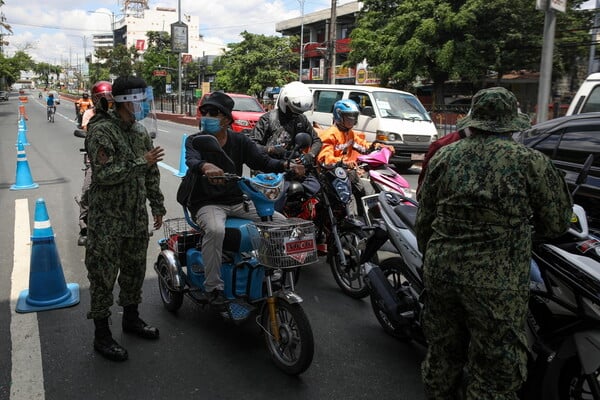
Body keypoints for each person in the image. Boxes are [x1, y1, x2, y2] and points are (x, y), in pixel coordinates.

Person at [415, 87, 573, 399]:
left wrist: (433, 258)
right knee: (494, 371)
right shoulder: (531, 162)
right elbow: (556, 223)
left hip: (442, 271)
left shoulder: (445, 156)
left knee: (443, 356)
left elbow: (424, 220)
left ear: (473, 122)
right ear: (512, 125)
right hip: (496, 286)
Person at [184, 91, 305, 306]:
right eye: (205, 112)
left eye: (214, 113)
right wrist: (205, 166)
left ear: (227, 119)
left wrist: (287, 165)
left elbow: (261, 161)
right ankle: (213, 287)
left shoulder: (239, 140)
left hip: (237, 201)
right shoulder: (196, 140)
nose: (208, 117)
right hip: (207, 202)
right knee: (215, 230)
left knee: (279, 222)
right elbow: (192, 160)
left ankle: (268, 271)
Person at [84, 76, 166, 362]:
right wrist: (141, 161)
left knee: (134, 272)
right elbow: (105, 175)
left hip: (134, 218)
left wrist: (157, 204)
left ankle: (131, 319)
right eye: (140, 99)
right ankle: (102, 334)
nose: (144, 105)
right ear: (124, 101)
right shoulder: (102, 132)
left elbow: (151, 173)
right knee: (103, 276)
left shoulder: (140, 132)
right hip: (107, 220)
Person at [251, 81, 322, 211]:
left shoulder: (301, 119)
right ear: (285, 102)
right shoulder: (267, 119)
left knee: (320, 189)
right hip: (270, 171)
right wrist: (271, 149)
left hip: (295, 169)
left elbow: (317, 140)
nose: (295, 114)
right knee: (275, 205)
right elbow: (252, 146)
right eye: (293, 110)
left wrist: (310, 155)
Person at [317, 99, 393, 214]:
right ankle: (351, 223)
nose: (352, 120)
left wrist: (378, 146)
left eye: (354, 117)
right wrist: (343, 162)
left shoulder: (350, 133)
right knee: (349, 199)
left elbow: (363, 147)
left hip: (349, 172)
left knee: (366, 193)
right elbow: (324, 159)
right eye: (348, 117)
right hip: (333, 174)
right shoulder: (330, 134)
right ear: (339, 116)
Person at [76, 80, 114, 246]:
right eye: (100, 98)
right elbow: (87, 130)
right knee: (86, 192)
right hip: (97, 162)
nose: (105, 101)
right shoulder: (90, 114)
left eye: (107, 97)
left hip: (118, 161)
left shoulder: (117, 115)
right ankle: (84, 227)